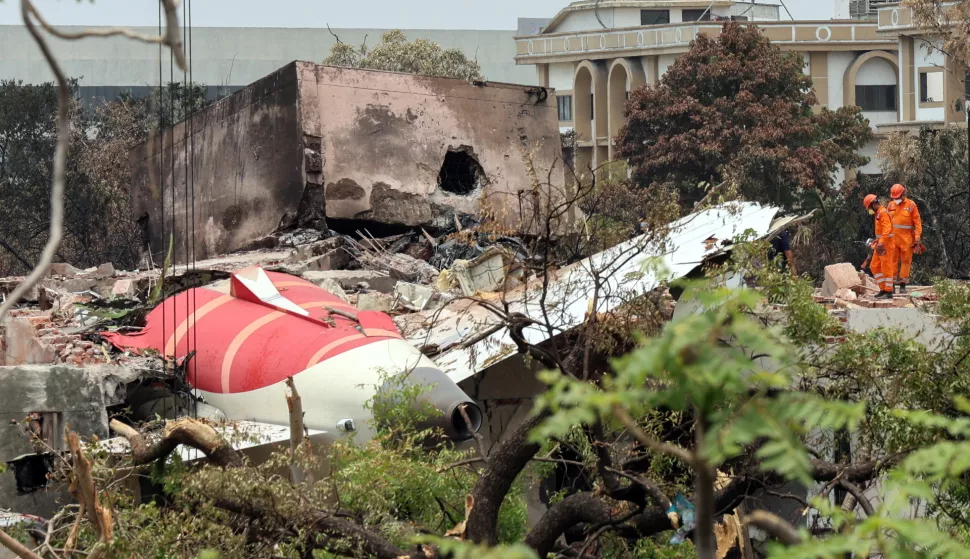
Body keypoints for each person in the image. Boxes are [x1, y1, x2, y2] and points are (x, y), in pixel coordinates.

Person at [887, 183, 922, 293]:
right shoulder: (890, 205)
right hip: (892, 239)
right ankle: (892, 286)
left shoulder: (911, 205)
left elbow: (917, 222)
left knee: (906, 262)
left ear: (903, 194)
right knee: (892, 262)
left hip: (906, 239)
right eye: (894, 197)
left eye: (897, 197)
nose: (896, 199)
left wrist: (917, 236)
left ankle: (903, 286)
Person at [864, 194, 896, 299]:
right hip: (881, 244)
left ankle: (889, 291)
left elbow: (887, 229)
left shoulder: (883, 213)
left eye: (869, 207)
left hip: (886, 245)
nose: (869, 210)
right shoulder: (878, 213)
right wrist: (877, 241)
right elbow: (881, 232)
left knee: (886, 268)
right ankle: (883, 289)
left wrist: (881, 242)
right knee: (874, 266)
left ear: (873, 204)